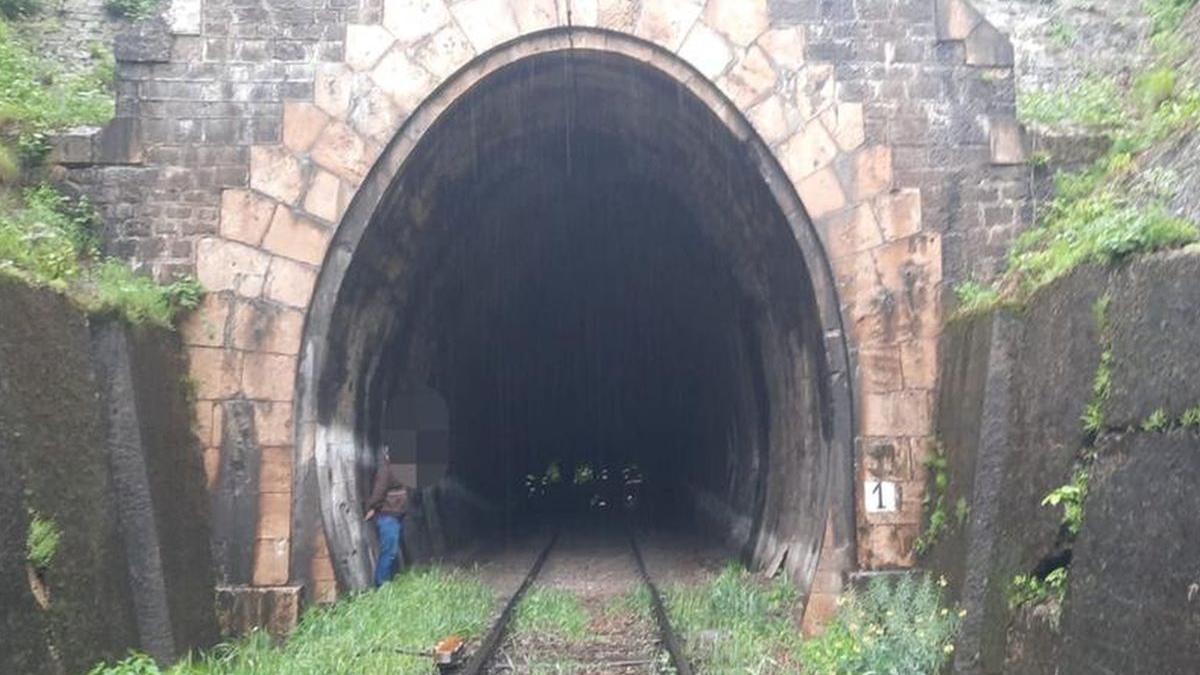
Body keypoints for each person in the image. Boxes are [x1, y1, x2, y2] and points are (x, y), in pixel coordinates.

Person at [364, 446, 410, 587]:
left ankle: (388, 582)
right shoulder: (386, 470)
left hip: (394, 514)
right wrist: (371, 507)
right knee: (389, 551)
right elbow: (379, 492)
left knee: (391, 550)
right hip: (387, 515)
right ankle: (381, 585)